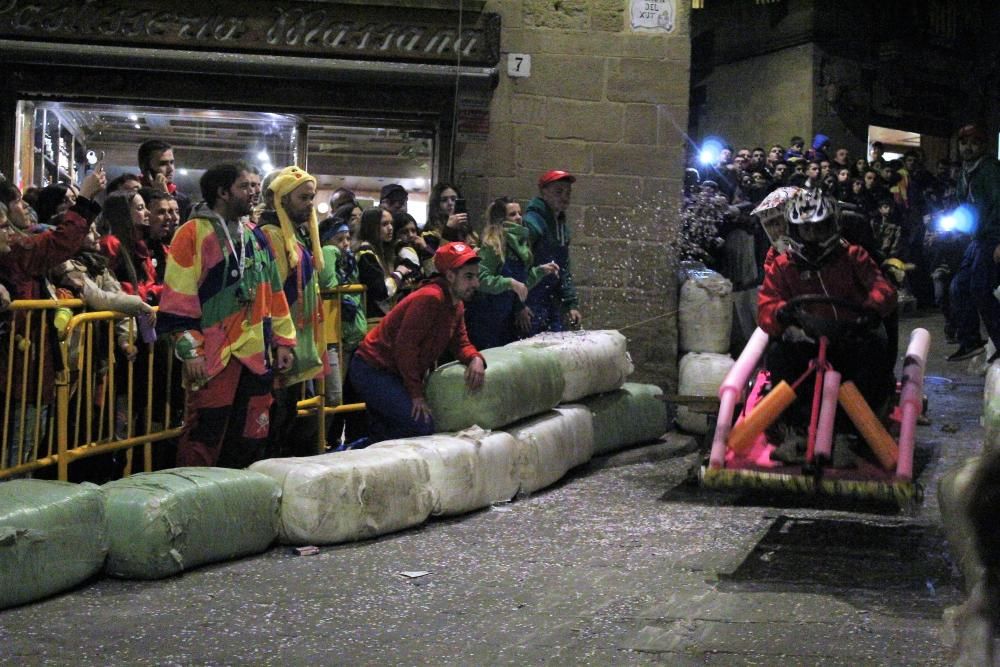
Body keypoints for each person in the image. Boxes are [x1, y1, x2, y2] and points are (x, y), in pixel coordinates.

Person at [156, 162, 296, 468]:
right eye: (245, 186)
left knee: (252, 436)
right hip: (213, 355)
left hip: (255, 355)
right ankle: (194, 504)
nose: (254, 192)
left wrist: (283, 340)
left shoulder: (255, 236)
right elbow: (178, 298)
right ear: (222, 192)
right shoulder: (192, 233)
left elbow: (274, 292)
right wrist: (190, 349)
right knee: (205, 435)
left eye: (256, 185)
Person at [757, 188, 897, 466]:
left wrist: (871, 308)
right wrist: (782, 314)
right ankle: (796, 431)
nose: (812, 237)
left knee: (873, 355)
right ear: (795, 231)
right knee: (778, 354)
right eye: (805, 230)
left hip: (851, 335)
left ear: (831, 226)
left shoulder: (853, 256)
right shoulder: (784, 265)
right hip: (807, 339)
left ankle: (850, 433)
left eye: (819, 229)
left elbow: (882, 288)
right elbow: (766, 306)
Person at [348, 241, 485, 443]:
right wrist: (416, 395)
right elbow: (406, 348)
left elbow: (461, 343)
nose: (476, 284)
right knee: (421, 425)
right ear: (449, 276)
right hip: (373, 369)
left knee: (390, 432)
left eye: (476, 276)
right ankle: (351, 454)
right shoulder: (431, 298)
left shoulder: (455, 305)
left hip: (392, 372)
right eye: (468, 277)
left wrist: (475, 358)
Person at [257, 166, 327, 458]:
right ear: (281, 200)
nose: (310, 204)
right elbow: (274, 294)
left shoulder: (294, 236)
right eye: (303, 198)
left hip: (297, 344)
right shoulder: (272, 235)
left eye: (311, 198)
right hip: (282, 345)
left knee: (289, 420)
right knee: (276, 420)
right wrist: (279, 341)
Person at [464, 197, 558, 350]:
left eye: (520, 213)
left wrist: (541, 271)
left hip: (505, 317)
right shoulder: (494, 244)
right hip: (486, 317)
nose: (519, 217)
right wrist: (508, 283)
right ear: (501, 219)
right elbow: (480, 278)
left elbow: (522, 283)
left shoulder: (522, 244)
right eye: (512, 214)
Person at [948, 124, 1000, 362]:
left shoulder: (990, 169)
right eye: (964, 143)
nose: (968, 148)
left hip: (991, 236)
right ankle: (970, 342)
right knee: (959, 287)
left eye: (974, 143)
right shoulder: (966, 171)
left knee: (980, 288)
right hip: (978, 237)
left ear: (984, 146)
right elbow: (965, 204)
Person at [523, 169, 582, 334]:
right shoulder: (532, 223)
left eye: (568, 193)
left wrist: (571, 304)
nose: (564, 197)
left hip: (551, 301)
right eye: (558, 191)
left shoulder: (562, 228)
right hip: (531, 299)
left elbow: (564, 268)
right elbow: (517, 267)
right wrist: (519, 305)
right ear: (544, 192)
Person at [355, 207, 411, 318]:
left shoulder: (381, 251)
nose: (390, 228)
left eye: (391, 223)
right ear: (371, 226)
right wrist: (399, 273)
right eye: (384, 224)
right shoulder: (366, 252)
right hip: (371, 317)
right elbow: (381, 291)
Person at [137, 139, 192, 221]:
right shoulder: (135, 197)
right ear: (145, 168)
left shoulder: (182, 200)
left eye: (172, 162)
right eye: (162, 164)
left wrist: (164, 195)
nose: (171, 169)